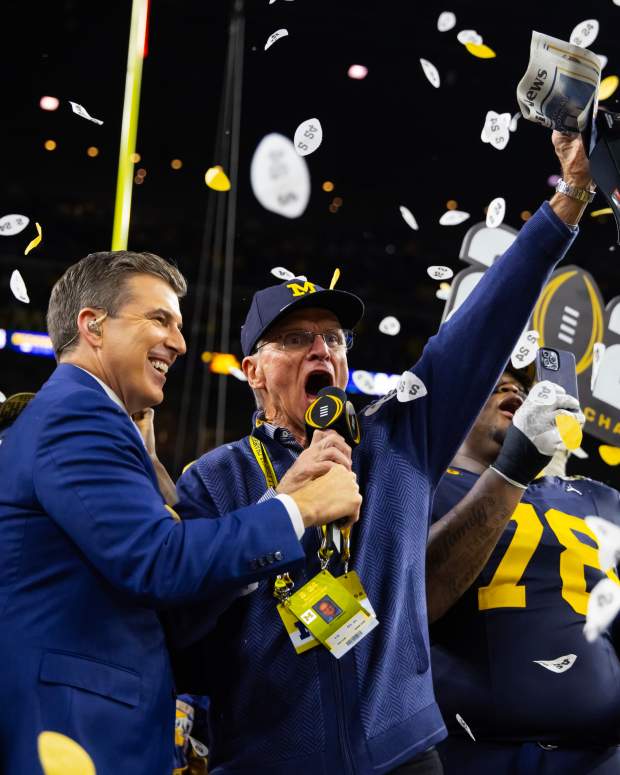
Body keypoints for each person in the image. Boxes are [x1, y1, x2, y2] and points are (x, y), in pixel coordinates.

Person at [166, 132, 596, 775]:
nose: (322, 350)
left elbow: (479, 325)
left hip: (404, 758)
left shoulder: (398, 438)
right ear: (253, 370)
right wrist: (279, 512)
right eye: (296, 339)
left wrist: (569, 200)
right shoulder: (214, 480)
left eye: (334, 338)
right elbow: (183, 629)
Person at [0, 250, 362, 774]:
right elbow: (158, 563)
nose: (179, 341)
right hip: (75, 730)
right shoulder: (78, 415)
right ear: (93, 326)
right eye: (159, 319)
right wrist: (296, 509)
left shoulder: (86, 416)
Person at [428, 366, 620, 774]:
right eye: (494, 387)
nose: (515, 394)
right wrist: (513, 467)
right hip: (474, 754)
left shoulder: (598, 497)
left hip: (603, 755)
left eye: (521, 389)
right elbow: (413, 598)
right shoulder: (423, 485)